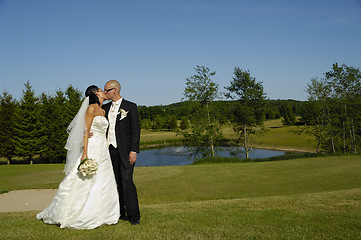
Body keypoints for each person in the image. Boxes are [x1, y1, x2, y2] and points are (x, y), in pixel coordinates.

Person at [36, 85, 120, 229]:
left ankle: (105, 213)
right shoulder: (92, 108)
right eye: (101, 90)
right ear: (95, 93)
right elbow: (85, 131)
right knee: (84, 179)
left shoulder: (102, 110)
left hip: (103, 148)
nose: (104, 92)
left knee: (103, 180)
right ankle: (76, 212)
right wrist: (85, 153)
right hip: (92, 147)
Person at [103, 80, 141, 225]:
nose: (105, 93)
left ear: (115, 90)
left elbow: (135, 131)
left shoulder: (130, 107)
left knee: (127, 181)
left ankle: (134, 215)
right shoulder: (104, 108)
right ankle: (119, 213)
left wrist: (133, 151)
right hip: (109, 151)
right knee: (115, 182)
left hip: (126, 151)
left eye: (107, 90)